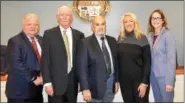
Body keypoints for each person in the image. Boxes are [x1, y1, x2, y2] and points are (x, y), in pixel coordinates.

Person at [41, 6, 85, 103]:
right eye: (62, 15)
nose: (65, 17)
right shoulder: (49, 34)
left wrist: (81, 83)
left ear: (72, 18)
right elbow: (45, 60)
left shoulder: (79, 35)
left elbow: (81, 61)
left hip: (73, 84)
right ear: (57, 17)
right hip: (55, 84)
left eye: (67, 15)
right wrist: (47, 82)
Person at [77, 16, 119, 103]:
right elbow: (82, 68)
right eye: (97, 24)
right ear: (92, 27)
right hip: (94, 88)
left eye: (103, 24)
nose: (101, 27)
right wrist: (85, 88)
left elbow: (116, 63)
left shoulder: (113, 41)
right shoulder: (85, 42)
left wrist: (116, 80)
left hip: (110, 85)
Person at [5, 13, 43, 103]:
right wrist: (34, 78)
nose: (33, 27)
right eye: (29, 24)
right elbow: (16, 64)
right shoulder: (15, 41)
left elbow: (44, 61)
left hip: (37, 91)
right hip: (20, 92)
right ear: (23, 25)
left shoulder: (41, 40)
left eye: (36, 24)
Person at [117, 12, 151, 102]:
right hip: (124, 82)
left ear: (135, 23)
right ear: (123, 24)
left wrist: (144, 83)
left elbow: (148, 62)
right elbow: (118, 61)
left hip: (139, 81)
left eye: (131, 21)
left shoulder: (142, 38)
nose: (128, 24)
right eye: (126, 22)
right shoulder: (120, 38)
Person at [147, 9, 176, 102]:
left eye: (158, 18)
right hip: (153, 77)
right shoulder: (149, 36)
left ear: (163, 20)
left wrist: (169, 82)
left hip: (165, 77)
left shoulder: (168, 35)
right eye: (153, 18)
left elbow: (171, 60)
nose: (155, 20)